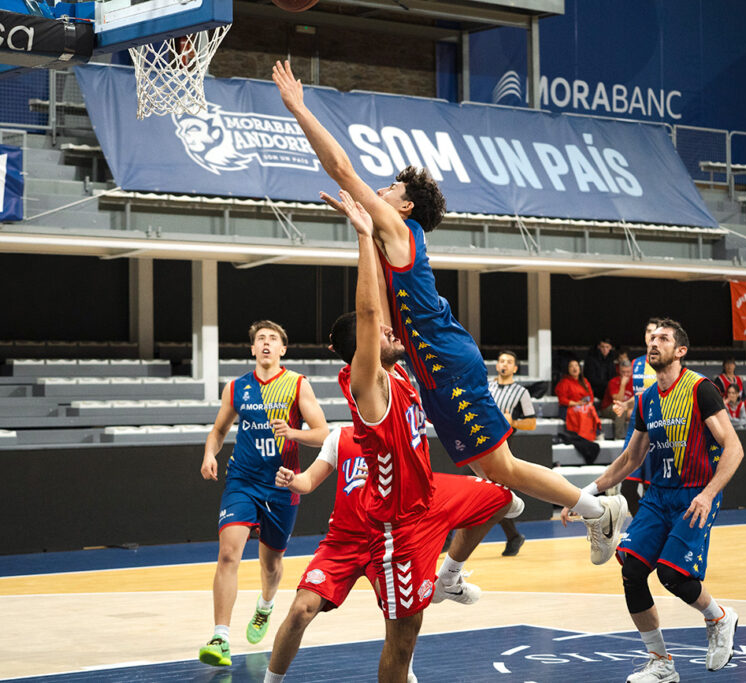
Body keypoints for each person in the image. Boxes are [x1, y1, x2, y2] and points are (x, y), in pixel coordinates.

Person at [272, 60, 627, 567]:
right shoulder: (387, 234)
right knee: (494, 468)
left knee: (500, 466)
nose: (383, 189)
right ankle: (475, 556)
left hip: (447, 363)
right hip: (434, 367)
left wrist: (300, 109)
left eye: (391, 189)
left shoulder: (399, 232)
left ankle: (597, 510)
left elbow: (343, 171)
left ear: (406, 208)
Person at [327, 189, 522, 682]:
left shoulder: (401, 373)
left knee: (499, 495)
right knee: (404, 635)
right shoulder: (368, 380)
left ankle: (450, 576)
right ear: (364, 350)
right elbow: (372, 316)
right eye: (383, 337)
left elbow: (387, 311)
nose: (394, 335)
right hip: (399, 525)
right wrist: (363, 233)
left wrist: (375, 243)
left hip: (430, 497)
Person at [561, 318, 744, 683]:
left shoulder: (700, 389)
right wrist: (581, 497)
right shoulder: (646, 400)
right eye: (652, 338)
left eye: (664, 338)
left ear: (680, 351)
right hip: (659, 496)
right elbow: (629, 460)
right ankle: (661, 662)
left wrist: (709, 495)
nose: (654, 343)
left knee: (673, 575)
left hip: (696, 494)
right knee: (631, 571)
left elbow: (734, 448)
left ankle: (719, 617)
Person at [198, 320, 330, 668]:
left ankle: (266, 606)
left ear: (283, 349)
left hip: (282, 484)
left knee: (270, 565)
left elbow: (323, 433)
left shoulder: (297, 385)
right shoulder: (237, 387)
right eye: (261, 339)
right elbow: (219, 429)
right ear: (253, 349)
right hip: (241, 480)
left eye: (273, 339)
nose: (267, 343)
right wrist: (210, 453)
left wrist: (293, 433)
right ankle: (220, 636)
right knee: (228, 554)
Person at [264, 426, 412, 683]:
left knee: (400, 617)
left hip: (384, 541)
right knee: (301, 609)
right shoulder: (339, 437)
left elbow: (418, 491)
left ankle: (404, 672)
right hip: (341, 543)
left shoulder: (402, 435)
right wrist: (292, 480)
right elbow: (308, 481)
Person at [487, 350, 537, 556]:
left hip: (503, 446)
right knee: (492, 494)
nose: (504, 364)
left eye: (508, 362)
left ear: (515, 368)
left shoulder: (521, 392)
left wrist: (513, 422)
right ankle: (514, 536)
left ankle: (513, 536)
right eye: (501, 361)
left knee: (495, 494)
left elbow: (532, 423)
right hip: (481, 443)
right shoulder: (487, 386)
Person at [613, 318, 660, 513]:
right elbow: (640, 394)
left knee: (651, 487)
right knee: (627, 488)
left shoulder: (668, 363)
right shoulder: (637, 363)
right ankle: (644, 525)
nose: (652, 335)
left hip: (656, 428)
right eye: (649, 331)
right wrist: (625, 404)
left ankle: (652, 531)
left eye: (657, 333)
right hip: (635, 427)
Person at [555, 359, 601, 463]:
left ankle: (594, 433)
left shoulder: (585, 381)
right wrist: (576, 404)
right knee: (582, 411)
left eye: (576, 366)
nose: (574, 368)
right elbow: (562, 399)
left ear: (580, 369)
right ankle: (584, 435)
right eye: (571, 366)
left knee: (590, 409)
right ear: (568, 369)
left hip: (583, 406)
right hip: (568, 407)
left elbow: (591, 397)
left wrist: (587, 403)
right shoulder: (564, 382)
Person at [600, 359, 634, 440]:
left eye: (628, 372)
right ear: (619, 371)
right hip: (608, 408)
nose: (626, 374)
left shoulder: (634, 382)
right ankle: (619, 437)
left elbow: (636, 399)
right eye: (623, 372)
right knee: (620, 409)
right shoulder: (613, 382)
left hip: (627, 407)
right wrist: (622, 385)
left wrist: (631, 409)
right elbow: (618, 400)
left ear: (632, 371)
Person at [584, 337, 617, 401]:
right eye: (602, 347)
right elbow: (591, 378)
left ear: (610, 348)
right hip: (595, 391)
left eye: (607, 347)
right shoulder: (591, 359)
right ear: (599, 347)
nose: (605, 349)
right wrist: (608, 384)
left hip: (608, 390)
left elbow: (613, 376)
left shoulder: (611, 360)